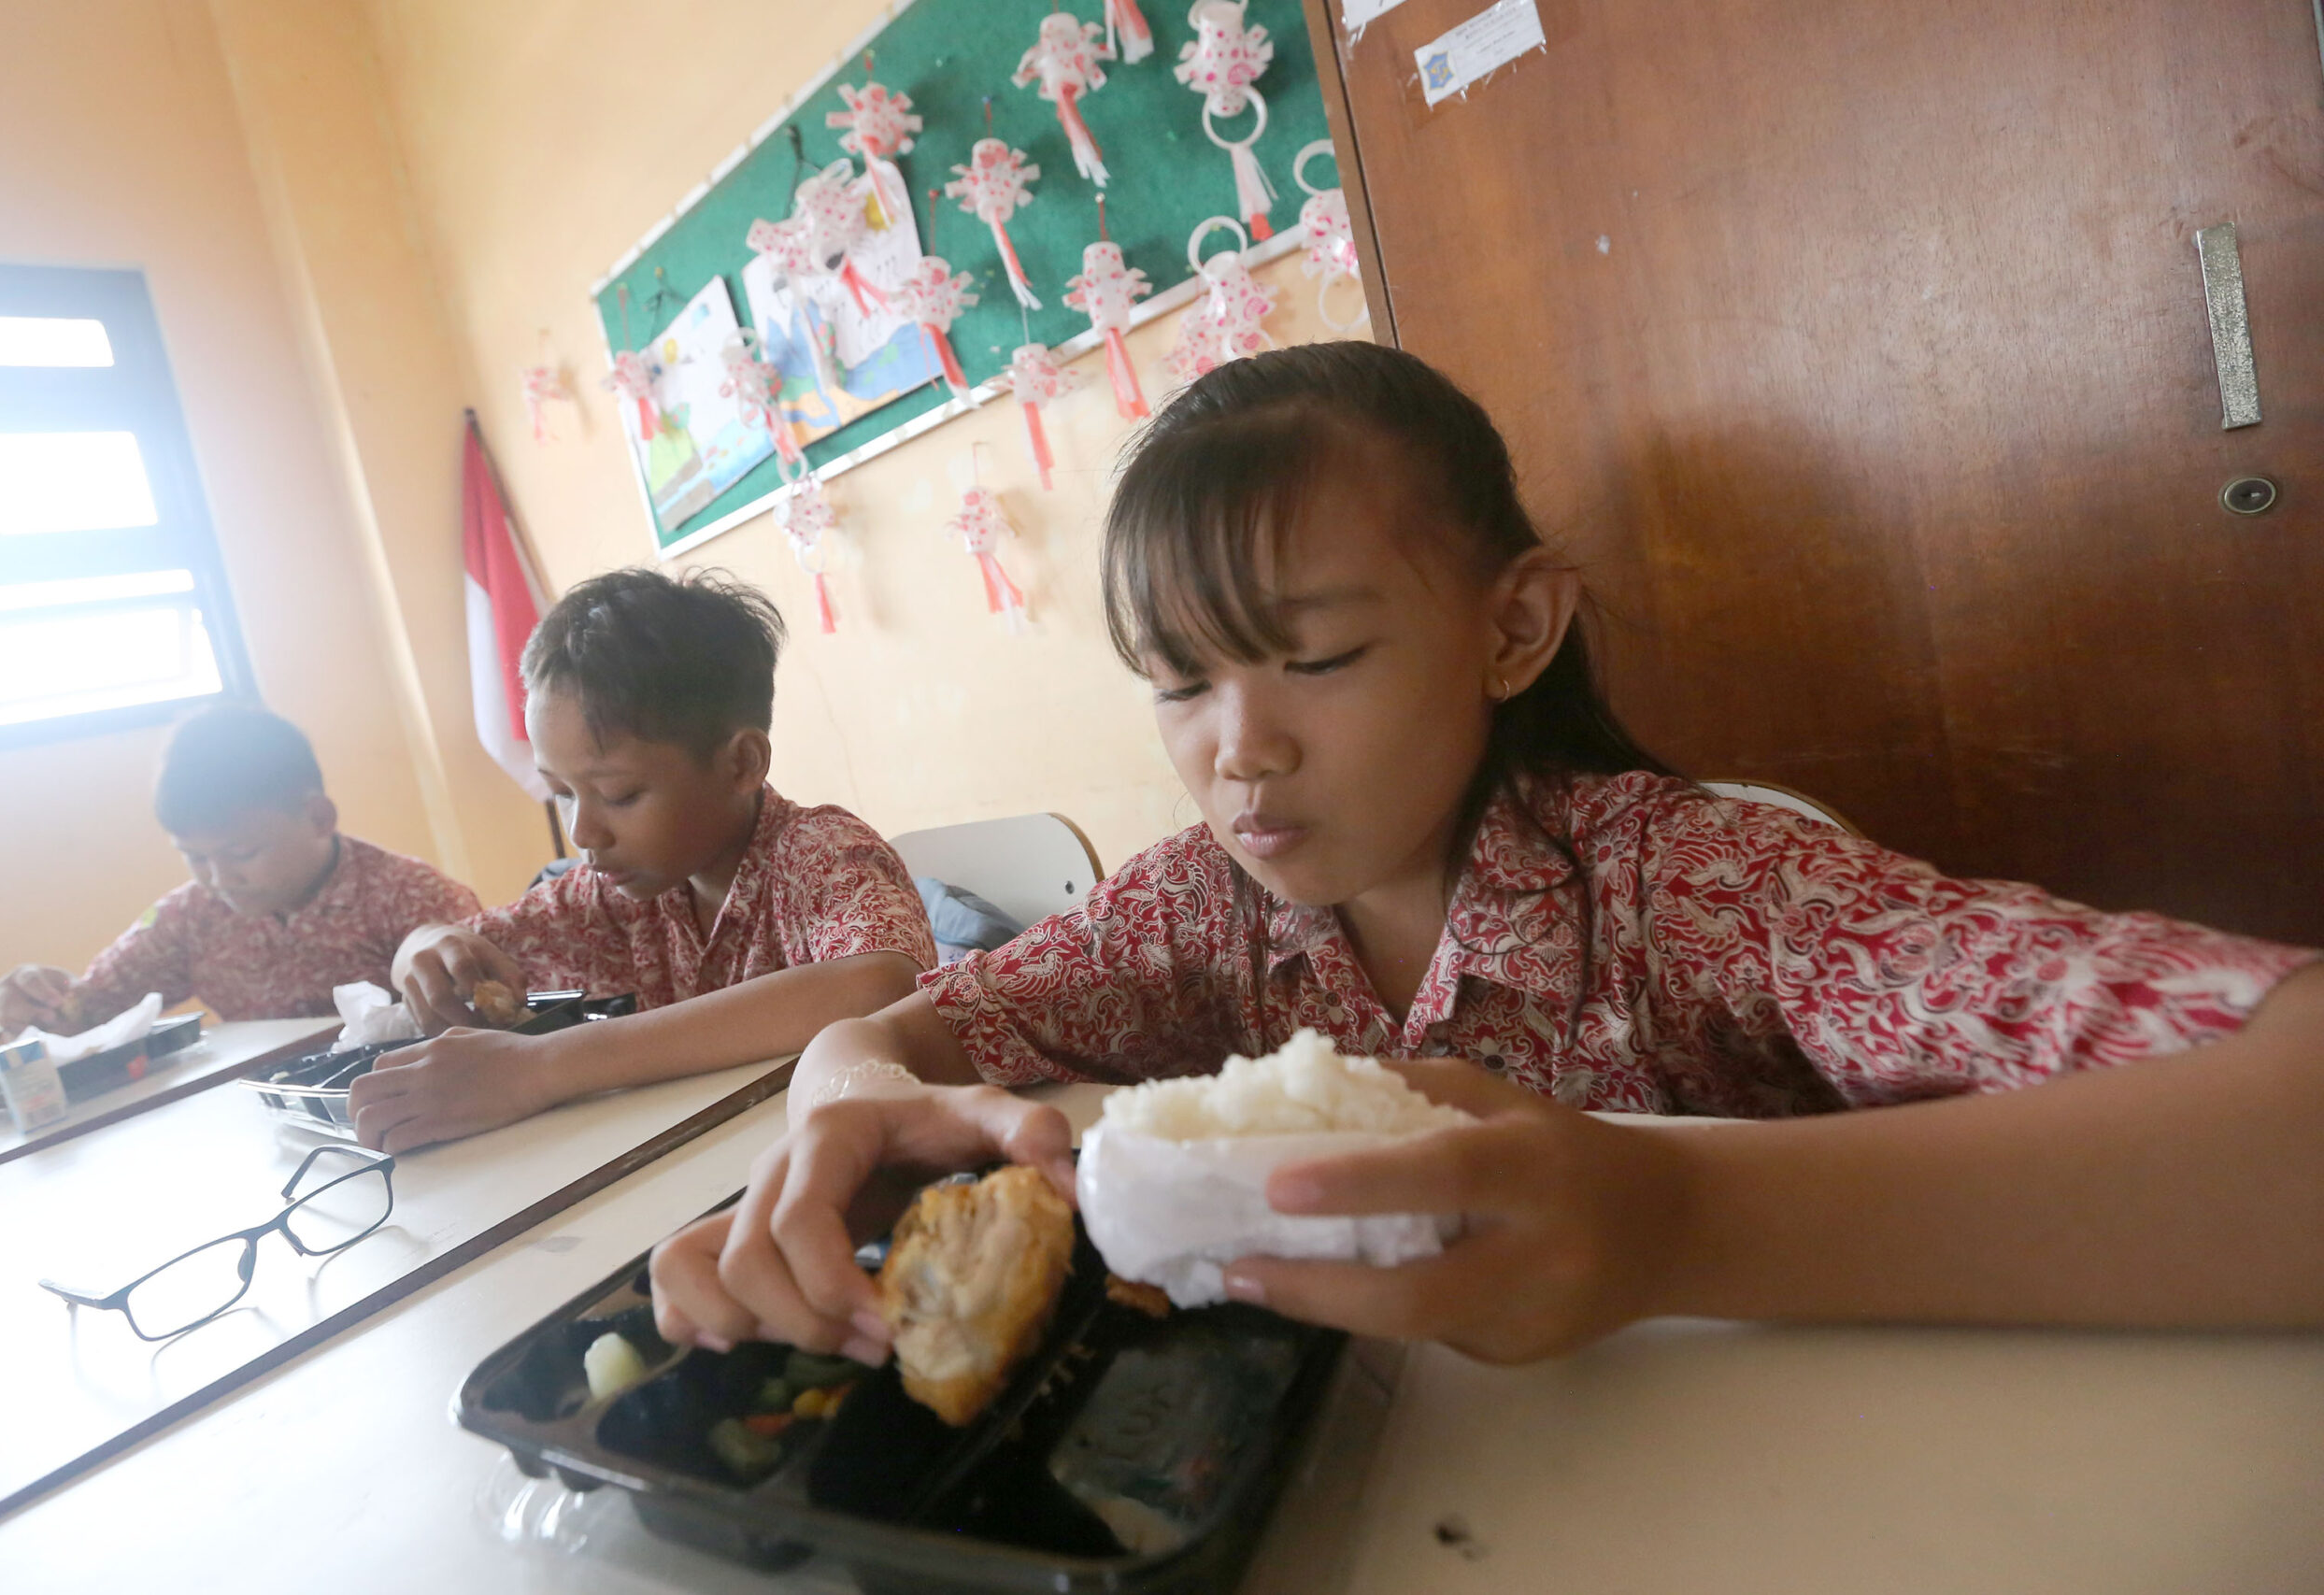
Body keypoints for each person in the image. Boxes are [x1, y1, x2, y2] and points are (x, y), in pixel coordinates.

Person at [645, 342, 2324, 1370]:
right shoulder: (1199, 907)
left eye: (1315, 657)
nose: (1240, 747)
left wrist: (1680, 1218)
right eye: (1178, 681)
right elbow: (896, 1033)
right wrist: (847, 1101)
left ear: (1512, 628)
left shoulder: (1696, 887)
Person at [351, 570, 933, 1154]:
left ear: (740, 765)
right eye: (561, 792)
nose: (581, 832)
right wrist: (424, 946)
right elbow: (465, 945)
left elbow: (882, 984)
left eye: (619, 794)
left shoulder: (819, 854)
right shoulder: (613, 895)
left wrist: (543, 1066)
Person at [0, 705, 480, 1034]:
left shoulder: (412, 898)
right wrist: (40, 1003)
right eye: (196, 857)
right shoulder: (189, 916)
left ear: (318, 817)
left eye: (242, 853)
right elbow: (90, 1009)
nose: (220, 879)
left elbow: (487, 1019)